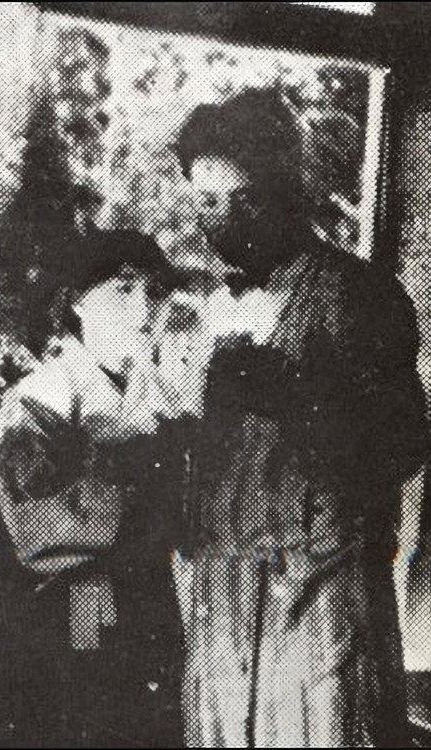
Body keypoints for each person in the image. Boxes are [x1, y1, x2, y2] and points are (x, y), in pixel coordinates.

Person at [166, 87, 429, 748]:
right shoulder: (208, 313)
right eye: (207, 202)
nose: (223, 221)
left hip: (320, 601)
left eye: (244, 199)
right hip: (223, 606)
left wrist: (298, 400)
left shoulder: (357, 295)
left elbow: (404, 442)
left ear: (289, 191)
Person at [0, 235, 185, 749]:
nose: (142, 309)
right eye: (123, 290)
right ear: (76, 303)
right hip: (76, 603)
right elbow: (41, 527)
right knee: (89, 718)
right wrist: (141, 487)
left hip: (153, 599)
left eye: (153, 292)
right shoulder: (45, 392)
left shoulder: (158, 388)